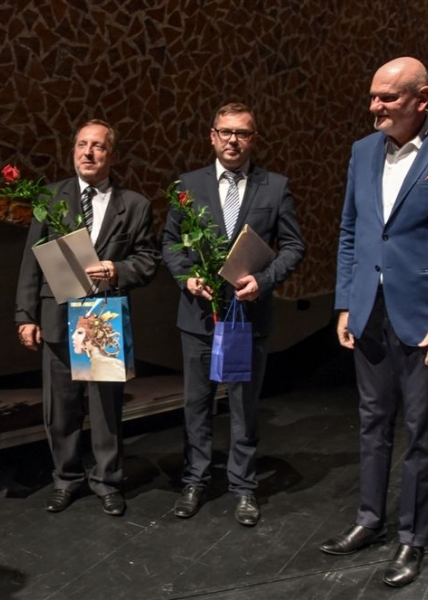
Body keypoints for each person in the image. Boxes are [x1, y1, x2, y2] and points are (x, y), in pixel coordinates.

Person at [321, 57, 428, 587]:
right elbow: (351, 230)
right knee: (372, 422)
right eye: (372, 95)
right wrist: (345, 301)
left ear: (421, 99)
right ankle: (369, 519)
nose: (373, 106)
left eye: (387, 98)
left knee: (422, 431)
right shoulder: (363, 151)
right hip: (369, 312)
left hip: (426, 317)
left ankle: (413, 538)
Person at [161, 102, 305, 526]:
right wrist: (186, 278)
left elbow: (294, 246)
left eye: (242, 133)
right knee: (197, 404)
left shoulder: (275, 187)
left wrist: (265, 279)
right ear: (212, 136)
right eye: (225, 132)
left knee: (244, 406)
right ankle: (195, 480)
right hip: (198, 316)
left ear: (253, 139)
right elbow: (169, 242)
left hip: (248, 316)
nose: (233, 140)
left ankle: (244, 487)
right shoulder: (187, 185)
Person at [15, 119, 159, 517]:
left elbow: (149, 260)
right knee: (60, 407)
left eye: (97, 146)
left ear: (110, 154)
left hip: (102, 315)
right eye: (82, 144)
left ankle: (107, 481)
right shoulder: (51, 197)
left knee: (105, 408)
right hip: (57, 315)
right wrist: (25, 315)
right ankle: (66, 479)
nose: (88, 152)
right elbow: (31, 260)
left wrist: (118, 269)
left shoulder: (134, 205)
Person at [70, 314, 126, 382]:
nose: (73, 336)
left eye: (80, 332)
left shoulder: (105, 366)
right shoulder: (101, 363)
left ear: (95, 336)